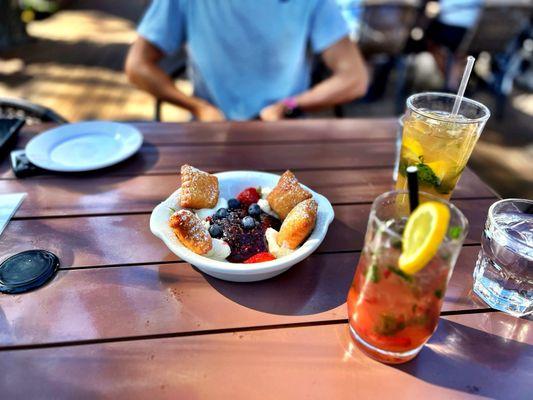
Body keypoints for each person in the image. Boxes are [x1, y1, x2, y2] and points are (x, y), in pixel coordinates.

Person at [125, 0, 368, 122]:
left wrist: (290, 105)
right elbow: (138, 65)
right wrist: (197, 107)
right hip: (211, 129)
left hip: (282, 129)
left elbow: (354, 79)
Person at [426, 0, 482, 89]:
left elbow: (440, 8)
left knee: (428, 36)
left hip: (453, 29)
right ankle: (453, 77)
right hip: (475, 32)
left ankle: (451, 80)